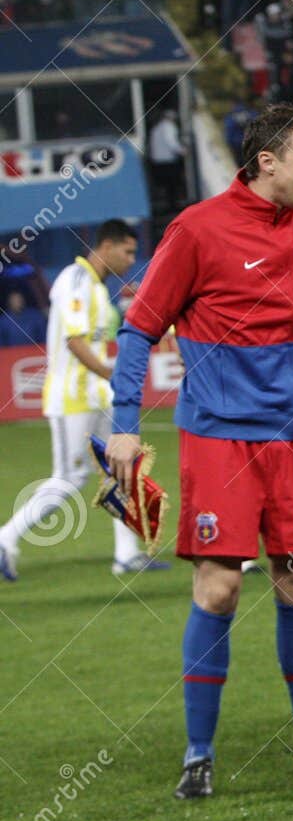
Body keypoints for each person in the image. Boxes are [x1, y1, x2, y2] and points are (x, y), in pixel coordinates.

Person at [104, 105, 293, 800]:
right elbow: (138, 331)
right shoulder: (197, 229)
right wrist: (123, 425)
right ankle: (199, 754)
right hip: (220, 435)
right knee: (219, 589)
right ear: (267, 163)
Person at [0, 220, 170, 580]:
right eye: (126, 251)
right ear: (105, 246)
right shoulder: (75, 281)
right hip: (73, 398)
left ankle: (126, 555)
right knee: (69, 477)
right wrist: (115, 376)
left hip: (97, 396)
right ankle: (5, 539)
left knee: (121, 467)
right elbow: (75, 342)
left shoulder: (94, 286)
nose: (130, 259)